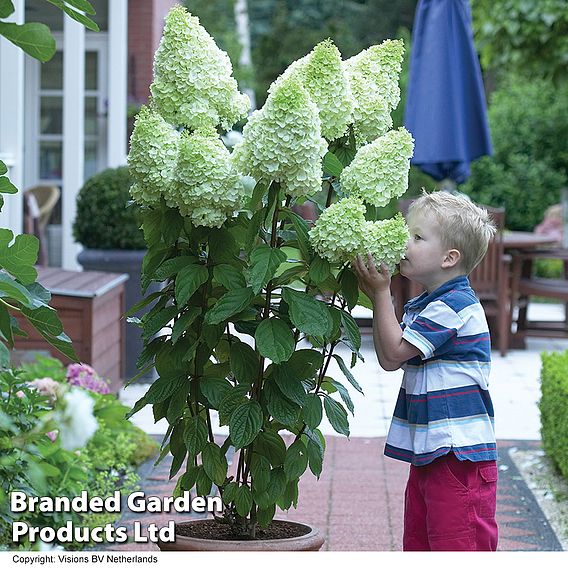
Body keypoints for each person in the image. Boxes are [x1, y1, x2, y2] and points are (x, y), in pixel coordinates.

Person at [352, 191, 499, 551]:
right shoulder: (428, 304)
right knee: (420, 545)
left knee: (457, 547)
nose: (406, 242)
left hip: (457, 458)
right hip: (432, 454)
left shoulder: (455, 305)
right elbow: (393, 353)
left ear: (450, 258)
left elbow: (393, 355)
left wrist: (380, 293)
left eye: (417, 237)